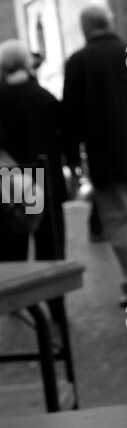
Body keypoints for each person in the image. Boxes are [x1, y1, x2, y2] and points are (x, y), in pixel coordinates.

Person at [62, 5, 127, 309]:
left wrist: (71, 156)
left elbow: (71, 115)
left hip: (105, 153)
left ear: (85, 28)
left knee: (119, 219)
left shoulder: (80, 61)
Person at [0, 40, 67, 268]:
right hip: (46, 180)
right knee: (51, 247)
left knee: (13, 250)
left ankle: (16, 299)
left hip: (13, 181)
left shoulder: (2, 97)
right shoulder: (45, 97)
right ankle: (55, 301)